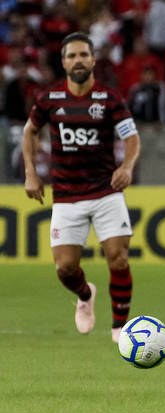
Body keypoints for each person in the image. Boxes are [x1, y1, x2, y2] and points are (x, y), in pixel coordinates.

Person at [22, 32, 141, 343]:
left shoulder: (109, 99)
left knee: (118, 257)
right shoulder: (49, 100)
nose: (78, 60)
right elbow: (29, 132)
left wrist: (126, 166)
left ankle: (119, 327)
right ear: (63, 62)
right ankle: (86, 294)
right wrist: (31, 172)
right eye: (72, 56)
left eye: (83, 55)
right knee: (65, 268)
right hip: (66, 195)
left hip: (105, 191)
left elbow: (132, 138)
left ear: (93, 59)